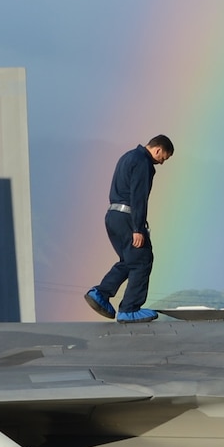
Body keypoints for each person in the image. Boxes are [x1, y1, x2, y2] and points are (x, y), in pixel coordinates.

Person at [86, 136, 173, 323]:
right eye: (164, 158)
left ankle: (99, 294)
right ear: (158, 150)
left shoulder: (128, 156)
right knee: (142, 259)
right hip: (128, 217)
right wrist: (138, 229)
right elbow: (138, 197)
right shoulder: (143, 162)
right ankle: (130, 309)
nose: (162, 163)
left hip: (112, 216)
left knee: (130, 259)